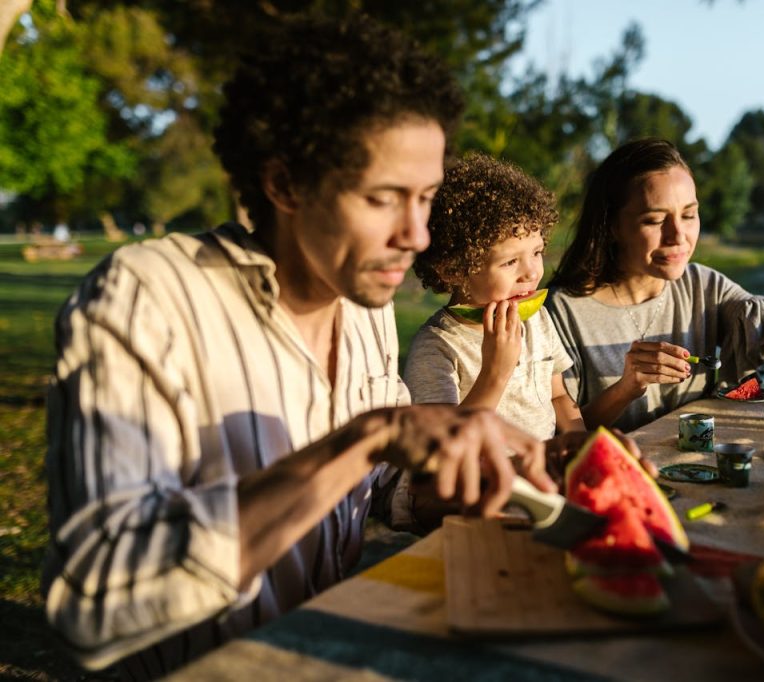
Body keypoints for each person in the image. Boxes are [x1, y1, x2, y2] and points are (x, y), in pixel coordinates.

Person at [42, 16, 558, 678]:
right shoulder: (142, 302)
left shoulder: (362, 302)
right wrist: (365, 438)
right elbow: (95, 602)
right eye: (383, 199)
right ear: (285, 185)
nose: (418, 236)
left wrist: (461, 479)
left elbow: (383, 487)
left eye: (425, 200)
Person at [546, 138, 764, 433]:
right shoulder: (562, 312)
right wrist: (626, 388)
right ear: (612, 226)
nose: (678, 235)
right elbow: (564, 434)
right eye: (655, 220)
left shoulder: (703, 286)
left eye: (688, 215)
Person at [404, 153, 585, 440]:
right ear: (453, 270)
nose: (531, 273)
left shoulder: (537, 319)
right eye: (510, 262)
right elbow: (443, 446)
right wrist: (494, 372)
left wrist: (581, 443)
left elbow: (558, 395)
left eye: (537, 253)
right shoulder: (437, 348)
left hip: (543, 474)